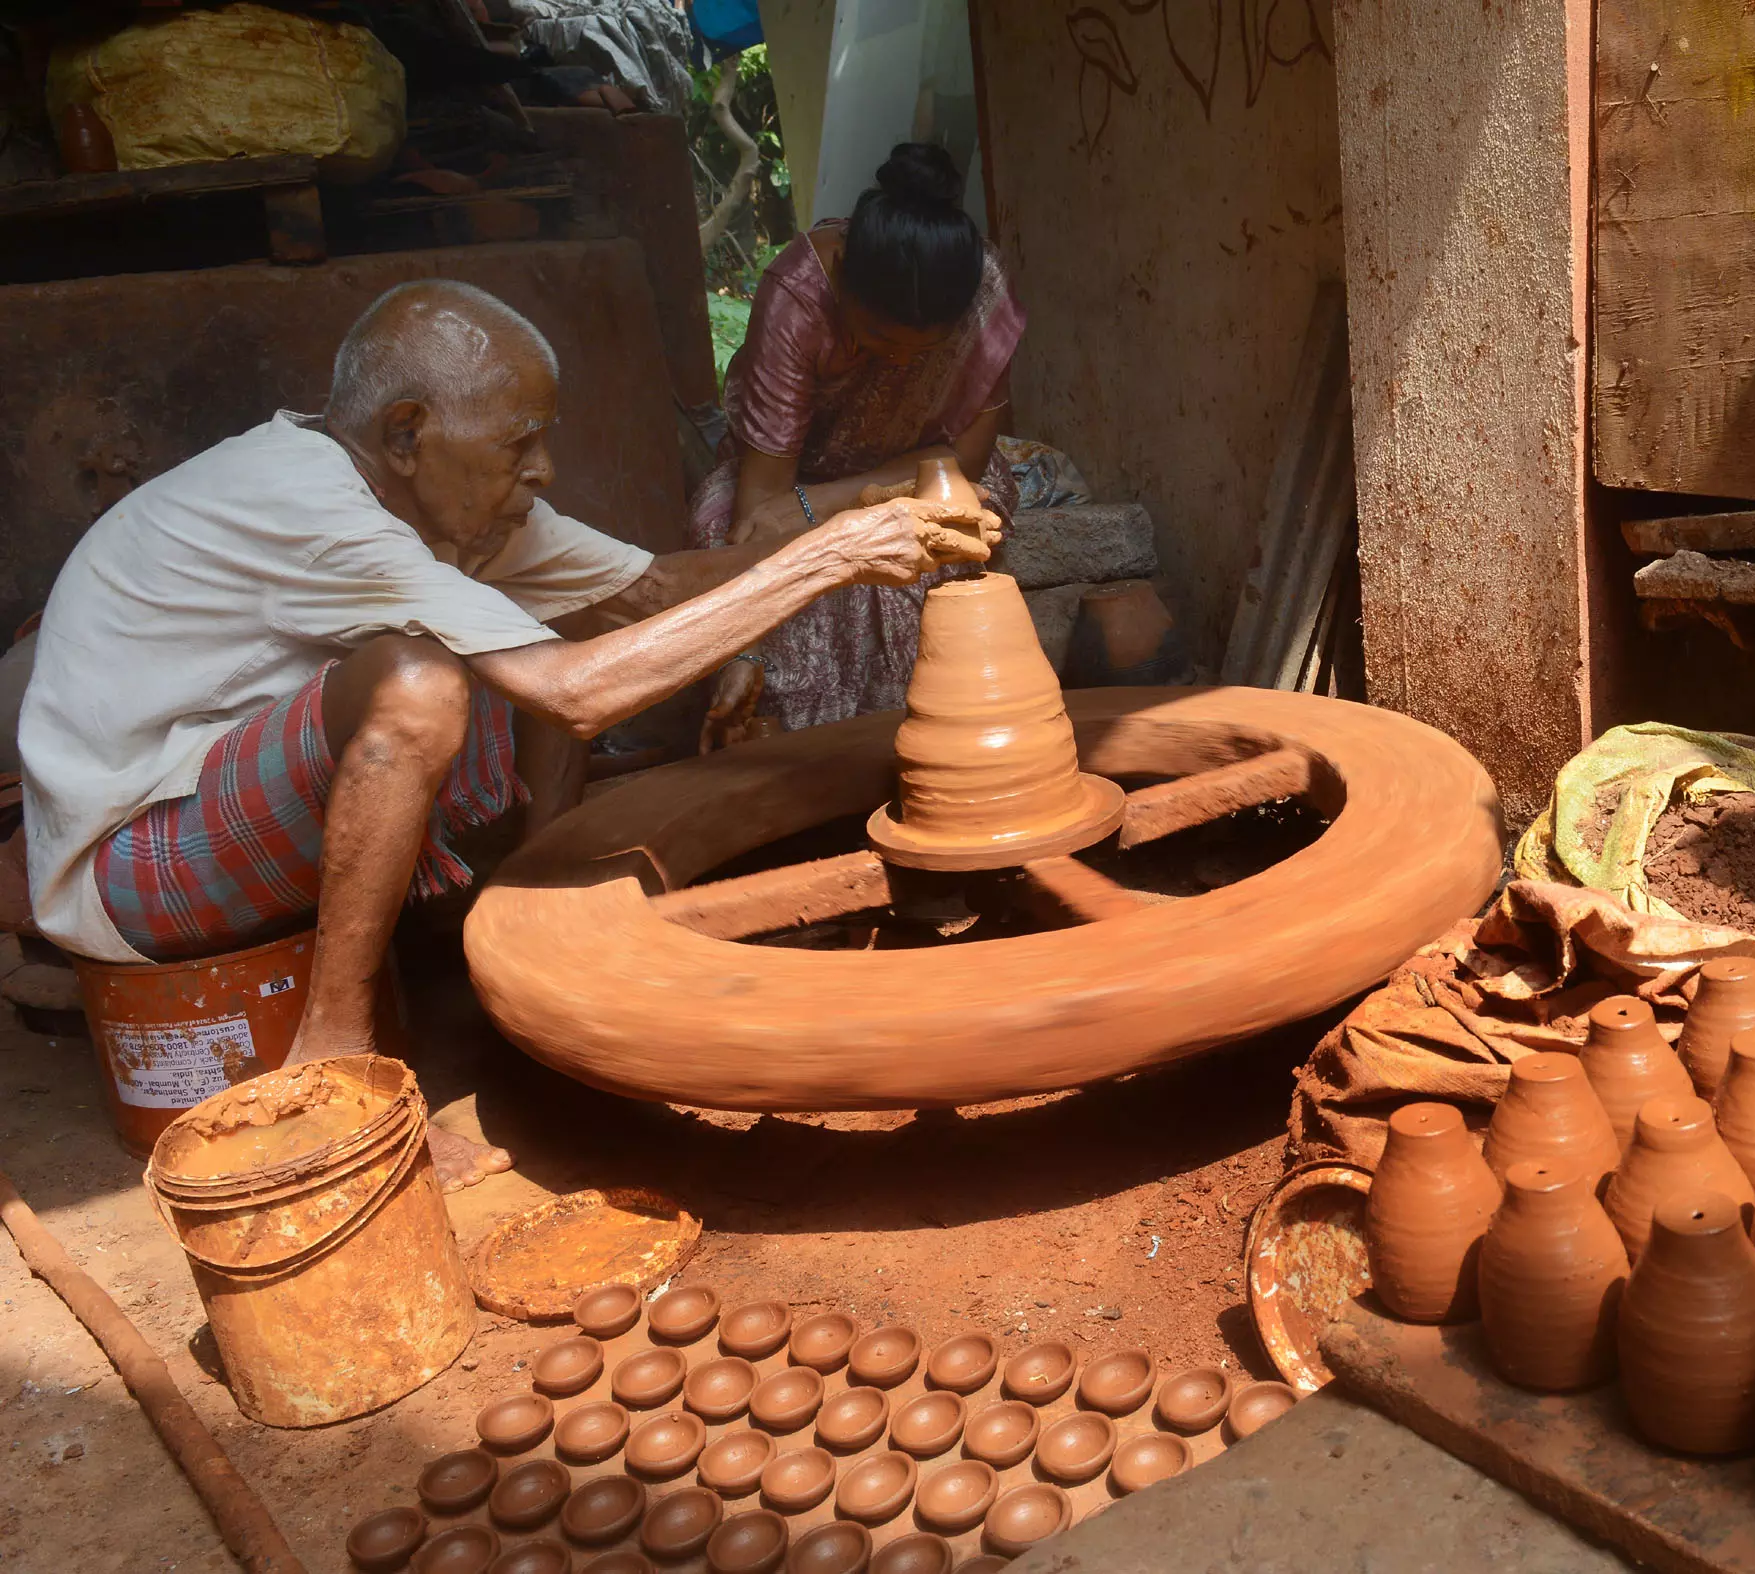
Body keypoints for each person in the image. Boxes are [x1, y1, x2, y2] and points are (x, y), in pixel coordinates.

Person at [19, 280, 990, 1187]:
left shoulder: (443, 497)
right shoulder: (306, 503)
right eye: (519, 443)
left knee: (552, 612)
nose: (545, 469)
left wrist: (862, 516)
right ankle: (342, 1072)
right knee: (418, 681)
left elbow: (650, 591)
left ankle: (527, 902)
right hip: (128, 866)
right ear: (408, 434)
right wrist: (825, 561)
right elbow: (571, 696)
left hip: (214, 802)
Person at [692, 141, 1025, 747]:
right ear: (842, 272)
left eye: (921, 352)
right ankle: (808, 755)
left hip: (918, 477)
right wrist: (747, 648)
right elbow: (762, 507)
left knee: (945, 539)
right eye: (877, 338)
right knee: (732, 536)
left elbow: (967, 461)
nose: (898, 361)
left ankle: (923, 740)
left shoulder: (982, 291)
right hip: (790, 479)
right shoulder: (799, 296)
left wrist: (829, 502)